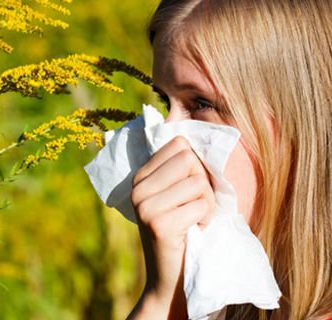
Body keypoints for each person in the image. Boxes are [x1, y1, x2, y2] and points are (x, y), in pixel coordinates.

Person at [126, 0, 332, 319]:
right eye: (164, 101)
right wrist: (166, 294)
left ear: (297, 121)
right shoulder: (227, 302)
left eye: (202, 104)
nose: (165, 137)